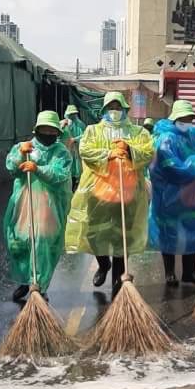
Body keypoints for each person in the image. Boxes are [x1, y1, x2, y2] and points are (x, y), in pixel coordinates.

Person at [65, 92, 155, 293]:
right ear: (104, 110)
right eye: (111, 107)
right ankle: (103, 264)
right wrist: (108, 154)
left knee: (123, 237)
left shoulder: (138, 132)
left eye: (118, 107)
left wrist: (129, 150)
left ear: (125, 109)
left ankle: (118, 282)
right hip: (99, 192)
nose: (114, 111)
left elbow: (148, 151)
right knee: (94, 232)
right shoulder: (92, 131)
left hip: (128, 193)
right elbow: (85, 151)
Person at [4, 112, 74, 302]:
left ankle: (40, 285)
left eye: (52, 130)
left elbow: (59, 175)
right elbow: (11, 168)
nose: (48, 133)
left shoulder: (61, 152)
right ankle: (25, 280)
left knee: (43, 244)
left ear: (57, 132)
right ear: (37, 130)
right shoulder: (24, 147)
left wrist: (38, 169)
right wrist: (20, 155)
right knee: (19, 242)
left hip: (48, 207)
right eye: (45, 129)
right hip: (24, 204)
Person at [148, 100, 195, 287]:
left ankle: (190, 272)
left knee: (194, 233)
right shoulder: (166, 139)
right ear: (174, 118)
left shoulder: (194, 134)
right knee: (169, 233)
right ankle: (170, 273)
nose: (186, 121)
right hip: (170, 196)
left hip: (193, 196)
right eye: (182, 118)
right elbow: (174, 170)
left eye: (189, 118)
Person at [59, 104, 86, 190]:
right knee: (65, 167)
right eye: (70, 114)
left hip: (76, 151)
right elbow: (56, 135)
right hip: (64, 150)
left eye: (74, 114)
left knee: (76, 168)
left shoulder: (80, 124)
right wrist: (62, 127)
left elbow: (85, 136)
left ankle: (74, 185)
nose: (72, 116)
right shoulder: (61, 123)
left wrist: (75, 139)